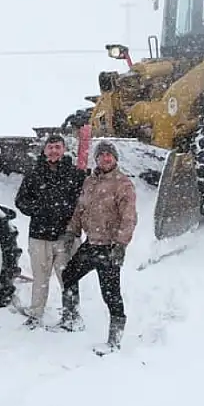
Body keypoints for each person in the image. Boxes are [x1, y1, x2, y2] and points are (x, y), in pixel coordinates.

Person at [55, 141, 137, 354]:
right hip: (90, 244)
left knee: (111, 294)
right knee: (69, 275)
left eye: (109, 155)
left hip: (109, 247)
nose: (106, 158)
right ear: (97, 159)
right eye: (102, 156)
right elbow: (80, 209)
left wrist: (121, 245)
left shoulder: (123, 184)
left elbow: (129, 218)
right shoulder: (90, 181)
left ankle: (114, 341)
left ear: (115, 159)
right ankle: (71, 318)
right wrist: (72, 231)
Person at [13, 135, 88, 328]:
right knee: (40, 277)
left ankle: (71, 315)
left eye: (57, 147)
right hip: (39, 235)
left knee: (69, 278)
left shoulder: (74, 174)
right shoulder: (34, 173)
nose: (54, 151)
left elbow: (84, 201)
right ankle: (36, 313)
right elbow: (20, 201)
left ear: (63, 150)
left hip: (65, 236)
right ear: (44, 150)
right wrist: (38, 209)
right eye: (50, 147)